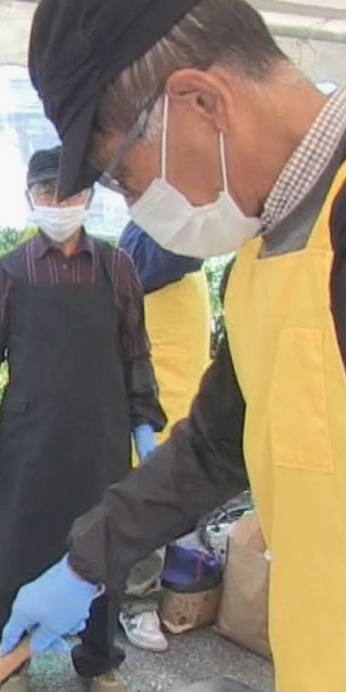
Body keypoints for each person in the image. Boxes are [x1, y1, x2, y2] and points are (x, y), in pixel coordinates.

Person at [11, 0, 346, 692]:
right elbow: (212, 447)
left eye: (121, 173)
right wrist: (82, 559)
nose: (129, 204)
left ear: (199, 103)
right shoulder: (273, 249)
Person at [0, 147, 165, 692]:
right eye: (46, 193)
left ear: (89, 198)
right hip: (31, 434)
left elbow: (135, 353)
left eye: (69, 193)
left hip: (100, 432)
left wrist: (145, 421)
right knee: (18, 543)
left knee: (102, 546)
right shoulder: (10, 272)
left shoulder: (117, 268)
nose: (58, 203)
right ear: (30, 197)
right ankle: (12, 660)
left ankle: (98, 660)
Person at [114, 221, 212, 651]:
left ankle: (139, 596)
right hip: (146, 408)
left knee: (160, 509)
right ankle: (132, 604)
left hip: (184, 403)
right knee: (138, 508)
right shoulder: (152, 245)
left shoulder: (185, 252)